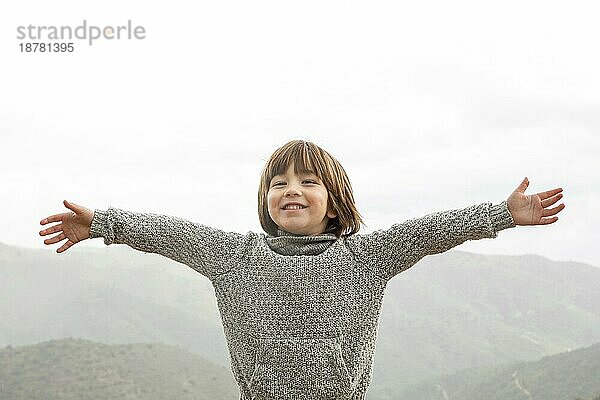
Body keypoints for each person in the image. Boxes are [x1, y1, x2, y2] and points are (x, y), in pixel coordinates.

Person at [39, 140, 565, 399]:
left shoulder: (366, 258)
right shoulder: (234, 257)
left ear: (334, 202)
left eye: (308, 181)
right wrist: (105, 222)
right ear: (266, 200)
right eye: (278, 182)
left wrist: (502, 214)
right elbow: (169, 232)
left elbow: (431, 230)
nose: (291, 189)